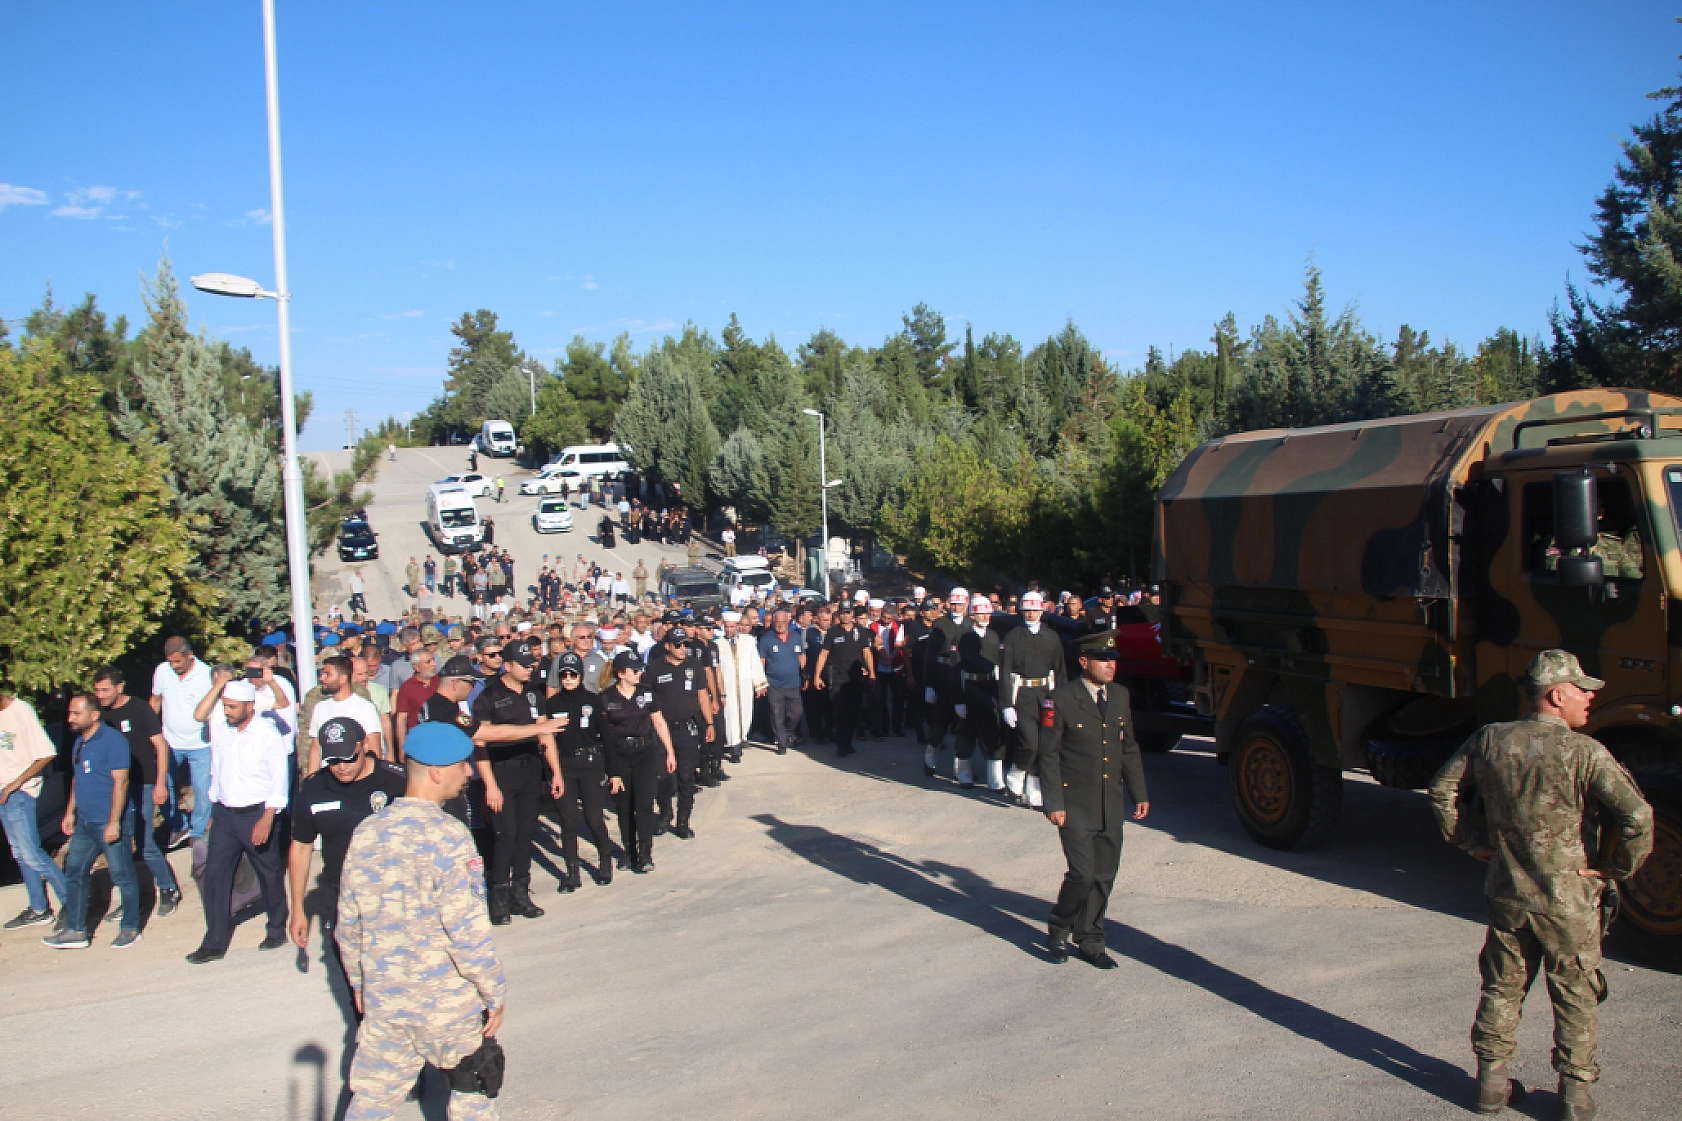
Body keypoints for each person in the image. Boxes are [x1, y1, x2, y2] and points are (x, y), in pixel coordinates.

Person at [1428, 650, 1653, 1119]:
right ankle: (1574, 1096)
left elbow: (1442, 789)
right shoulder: (1585, 752)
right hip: (1568, 901)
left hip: (1508, 893)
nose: (1589, 699)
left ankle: (1490, 1084)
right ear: (1555, 695)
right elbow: (1638, 817)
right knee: (1575, 994)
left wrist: (1468, 841)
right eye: (1581, 691)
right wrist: (1615, 869)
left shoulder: (1489, 739)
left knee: (1502, 987)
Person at [337, 722, 507, 1121]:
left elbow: (348, 923)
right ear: (435, 772)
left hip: (387, 999)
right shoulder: (450, 836)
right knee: (473, 1094)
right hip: (445, 1004)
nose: (468, 773)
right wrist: (493, 991)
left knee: (371, 1104)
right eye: (462, 765)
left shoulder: (367, 832)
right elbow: (467, 933)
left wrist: (359, 983)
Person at [1038, 630, 1149, 969]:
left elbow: (1128, 747)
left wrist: (1139, 792)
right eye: (1103, 660)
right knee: (1082, 874)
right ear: (1084, 662)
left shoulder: (1120, 695)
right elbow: (1048, 755)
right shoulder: (1060, 699)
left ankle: (1090, 939)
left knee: (1104, 875)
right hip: (1074, 803)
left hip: (1109, 802)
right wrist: (1053, 803)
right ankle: (1059, 928)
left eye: (1113, 660)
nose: (1110, 665)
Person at [286, 716, 407, 970]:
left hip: (394, 897)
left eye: (349, 758)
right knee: (352, 976)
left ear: (364, 745)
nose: (341, 767)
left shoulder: (398, 782)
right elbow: (301, 848)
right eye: (333, 760)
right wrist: (298, 909)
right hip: (342, 898)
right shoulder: (313, 790)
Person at [186, 677, 292, 964]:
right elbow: (217, 771)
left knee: (268, 872)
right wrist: (213, 810)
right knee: (215, 875)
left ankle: (276, 928)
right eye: (225, 706)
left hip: (257, 814)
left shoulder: (267, 734)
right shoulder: (223, 732)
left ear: (249, 706)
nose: (227, 712)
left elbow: (279, 779)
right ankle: (214, 941)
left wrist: (267, 818)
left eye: (232, 707)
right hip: (225, 815)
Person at [472, 639, 564, 925]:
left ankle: (521, 893)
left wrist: (555, 772)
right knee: (507, 834)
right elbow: (480, 744)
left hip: (530, 769)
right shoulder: (489, 697)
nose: (529, 669)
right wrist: (490, 785)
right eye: (523, 665)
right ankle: (499, 897)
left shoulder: (534, 693)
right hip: (502, 770)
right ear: (508, 665)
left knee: (525, 833)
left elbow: (545, 732)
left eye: (531, 665)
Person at [41, 694, 143, 949]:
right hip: (85, 823)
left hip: (108, 821)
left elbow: (121, 782)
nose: (71, 719)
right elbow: (78, 778)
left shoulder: (113, 741)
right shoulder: (80, 742)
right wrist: (70, 812)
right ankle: (76, 930)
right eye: (70, 713)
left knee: (122, 874)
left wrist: (114, 822)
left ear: (94, 715)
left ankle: (130, 927)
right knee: (74, 870)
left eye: (77, 714)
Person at [94, 668, 182, 915]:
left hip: (142, 783)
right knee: (120, 843)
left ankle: (167, 887)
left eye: (105, 690)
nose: (101, 696)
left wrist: (161, 783)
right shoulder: (99, 714)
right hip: (115, 787)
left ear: (119, 687)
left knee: (144, 841)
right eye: (97, 691)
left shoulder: (139, 709)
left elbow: (161, 747)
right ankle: (131, 898)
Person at [543, 652, 617, 889]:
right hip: (565, 765)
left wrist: (613, 772)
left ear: (580, 675)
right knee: (568, 821)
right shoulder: (552, 704)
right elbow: (547, 741)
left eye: (572, 674)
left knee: (593, 818)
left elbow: (606, 737)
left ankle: (605, 860)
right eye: (564, 674)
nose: (567, 679)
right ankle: (572, 873)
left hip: (590, 764)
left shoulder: (593, 700)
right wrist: (550, 774)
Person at [599, 651, 677, 874]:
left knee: (644, 804)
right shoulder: (606, 698)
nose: (639, 674)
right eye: (634, 671)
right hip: (619, 754)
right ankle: (629, 851)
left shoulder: (646, 693)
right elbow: (603, 733)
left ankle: (645, 853)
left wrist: (669, 752)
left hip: (645, 753)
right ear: (621, 673)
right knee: (624, 807)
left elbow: (659, 722)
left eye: (640, 670)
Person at [0, 692, 70, 930]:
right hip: (4, 794)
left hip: (20, 793)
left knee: (32, 853)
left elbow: (46, 753)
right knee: (19, 854)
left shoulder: (21, 711)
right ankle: (39, 908)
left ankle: (71, 902)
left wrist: (16, 783)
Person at [998, 590, 1066, 809]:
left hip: (1046, 694)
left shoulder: (1052, 637)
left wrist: (1062, 700)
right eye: (1027, 610)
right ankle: (1015, 775)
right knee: (1029, 743)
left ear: (1041, 611)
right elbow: (1005, 672)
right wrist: (1007, 704)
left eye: (1035, 610)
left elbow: (1060, 670)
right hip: (1023, 695)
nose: (1031, 614)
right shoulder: (1013, 636)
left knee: (1044, 745)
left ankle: (1034, 790)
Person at [648, 627, 717, 840]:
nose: (682, 648)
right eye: (678, 645)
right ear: (667, 646)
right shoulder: (654, 669)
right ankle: (665, 814)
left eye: (685, 644)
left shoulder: (694, 666)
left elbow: (702, 696)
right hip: (662, 731)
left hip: (687, 729)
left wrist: (709, 723)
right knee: (662, 777)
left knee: (686, 778)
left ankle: (683, 822)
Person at [152, 636, 214, 850]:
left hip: (200, 743)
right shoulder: (162, 671)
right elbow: (156, 700)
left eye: (178, 661)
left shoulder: (206, 674)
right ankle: (178, 825)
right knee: (162, 783)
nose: (174, 666)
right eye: (171, 661)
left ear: (190, 655)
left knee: (202, 789)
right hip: (170, 742)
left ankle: (198, 831)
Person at [812, 601, 874, 758]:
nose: (845, 616)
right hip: (837, 678)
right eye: (842, 613)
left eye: (848, 612)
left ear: (852, 614)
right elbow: (823, 654)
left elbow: (866, 652)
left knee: (853, 712)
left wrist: (872, 672)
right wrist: (817, 676)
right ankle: (841, 745)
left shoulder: (861, 631)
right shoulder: (832, 632)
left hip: (855, 678)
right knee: (840, 713)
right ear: (838, 614)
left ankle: (847, 742)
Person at [307, 656, 385, 774]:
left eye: (327, 674)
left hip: (355, 777)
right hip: (327, 777)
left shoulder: (365, 707)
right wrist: (311, 778)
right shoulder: (319, 707)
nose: (322, 678)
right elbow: (316, 748)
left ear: (342, 678)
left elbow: (374, 750)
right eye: (322, 674)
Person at [713, 612, 767, 767]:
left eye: (732, 627)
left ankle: (741, 739)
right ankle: (734, 747)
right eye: (726, 627)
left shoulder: (748, 641)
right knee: (730, 716)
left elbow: (754, 662)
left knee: (745, 713)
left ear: (737, 626)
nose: (729, 630)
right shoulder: (718, 644)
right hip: (728, 687)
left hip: (745, 685)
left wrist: (759, 683)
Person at [757, 606, 806, 756]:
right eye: (777, 621)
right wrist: (761, 681)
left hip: (794, 684)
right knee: (776, 714)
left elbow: (802, 657)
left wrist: (805, 675)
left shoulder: (796, 637)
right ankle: (781, 743)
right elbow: (762, 662)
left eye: (783, 621)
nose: (780, 624)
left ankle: (788, 732)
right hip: (774, 684)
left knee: (796, 713)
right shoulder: (766, 639)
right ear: (772, 622)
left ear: (788, 621)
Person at [393, 648, 440, 754]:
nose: (433, 664)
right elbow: (402, 718)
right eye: (428, 662)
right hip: (418, 742)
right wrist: (402, 747)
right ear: (417, 667)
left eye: (433, 660)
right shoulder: (407, 687)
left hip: (441, 739)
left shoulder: (441, 682)